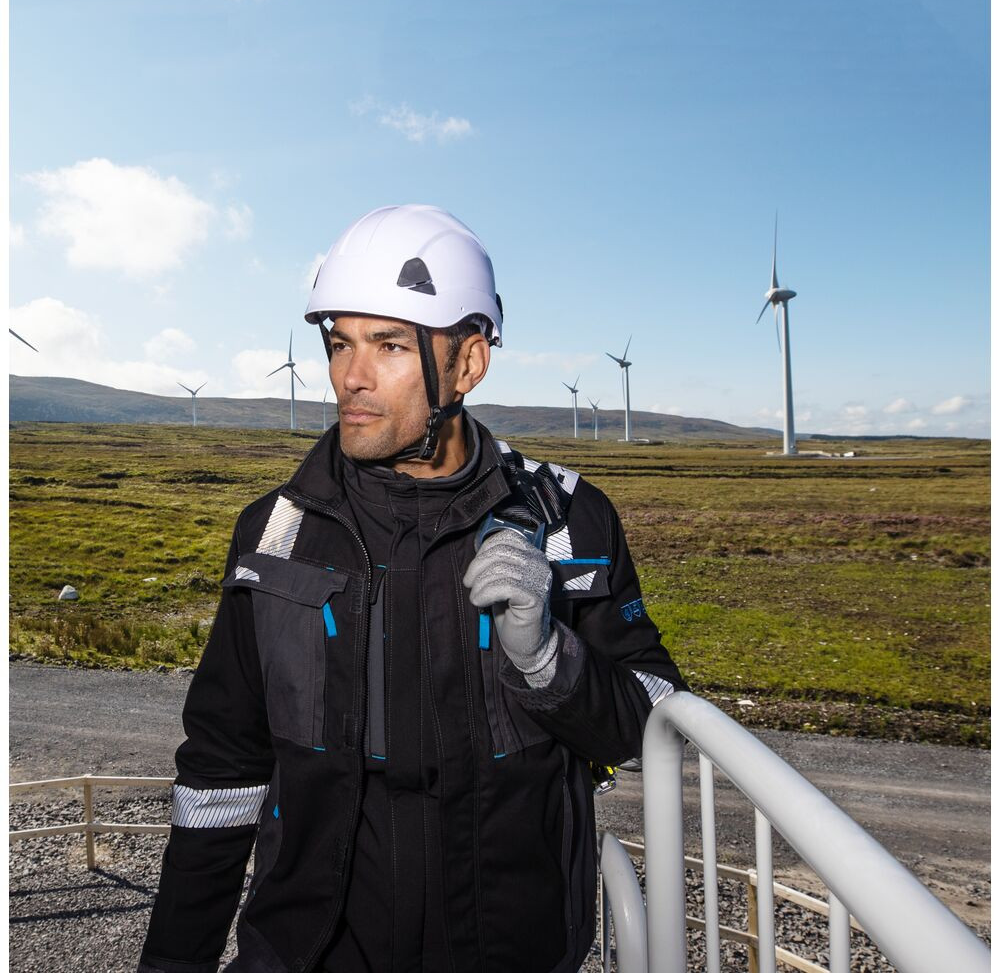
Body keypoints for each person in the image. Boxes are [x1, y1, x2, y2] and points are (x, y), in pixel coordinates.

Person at [138, 204, 687, 973]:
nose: (349, 377)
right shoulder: (274, 535)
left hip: (508, 956)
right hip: (306, 956)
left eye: (388, 345)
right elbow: (219, 777)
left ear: (468, 364)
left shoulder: (570, 522)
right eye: (339, 343)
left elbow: (655, 723)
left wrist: (547, 660)